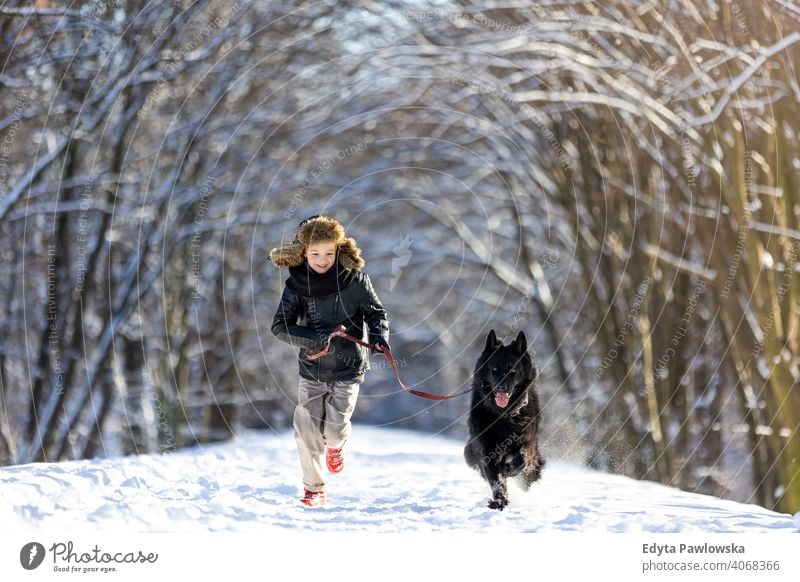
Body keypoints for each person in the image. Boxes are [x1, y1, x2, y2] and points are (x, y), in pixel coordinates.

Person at [269, 215, 390, 507]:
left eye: (329, 253)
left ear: (339, 250)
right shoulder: (296, 285)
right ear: (303, 253)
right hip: (312, 370)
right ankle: (314, 489)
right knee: (306, 431)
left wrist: (378, 336)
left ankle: (336, 446)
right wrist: (313, 337)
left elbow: (377, 313)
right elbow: (280, 325)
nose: (322, 260)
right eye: (315, 254)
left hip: (348, 369)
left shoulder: (356, 280)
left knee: (333, 433)